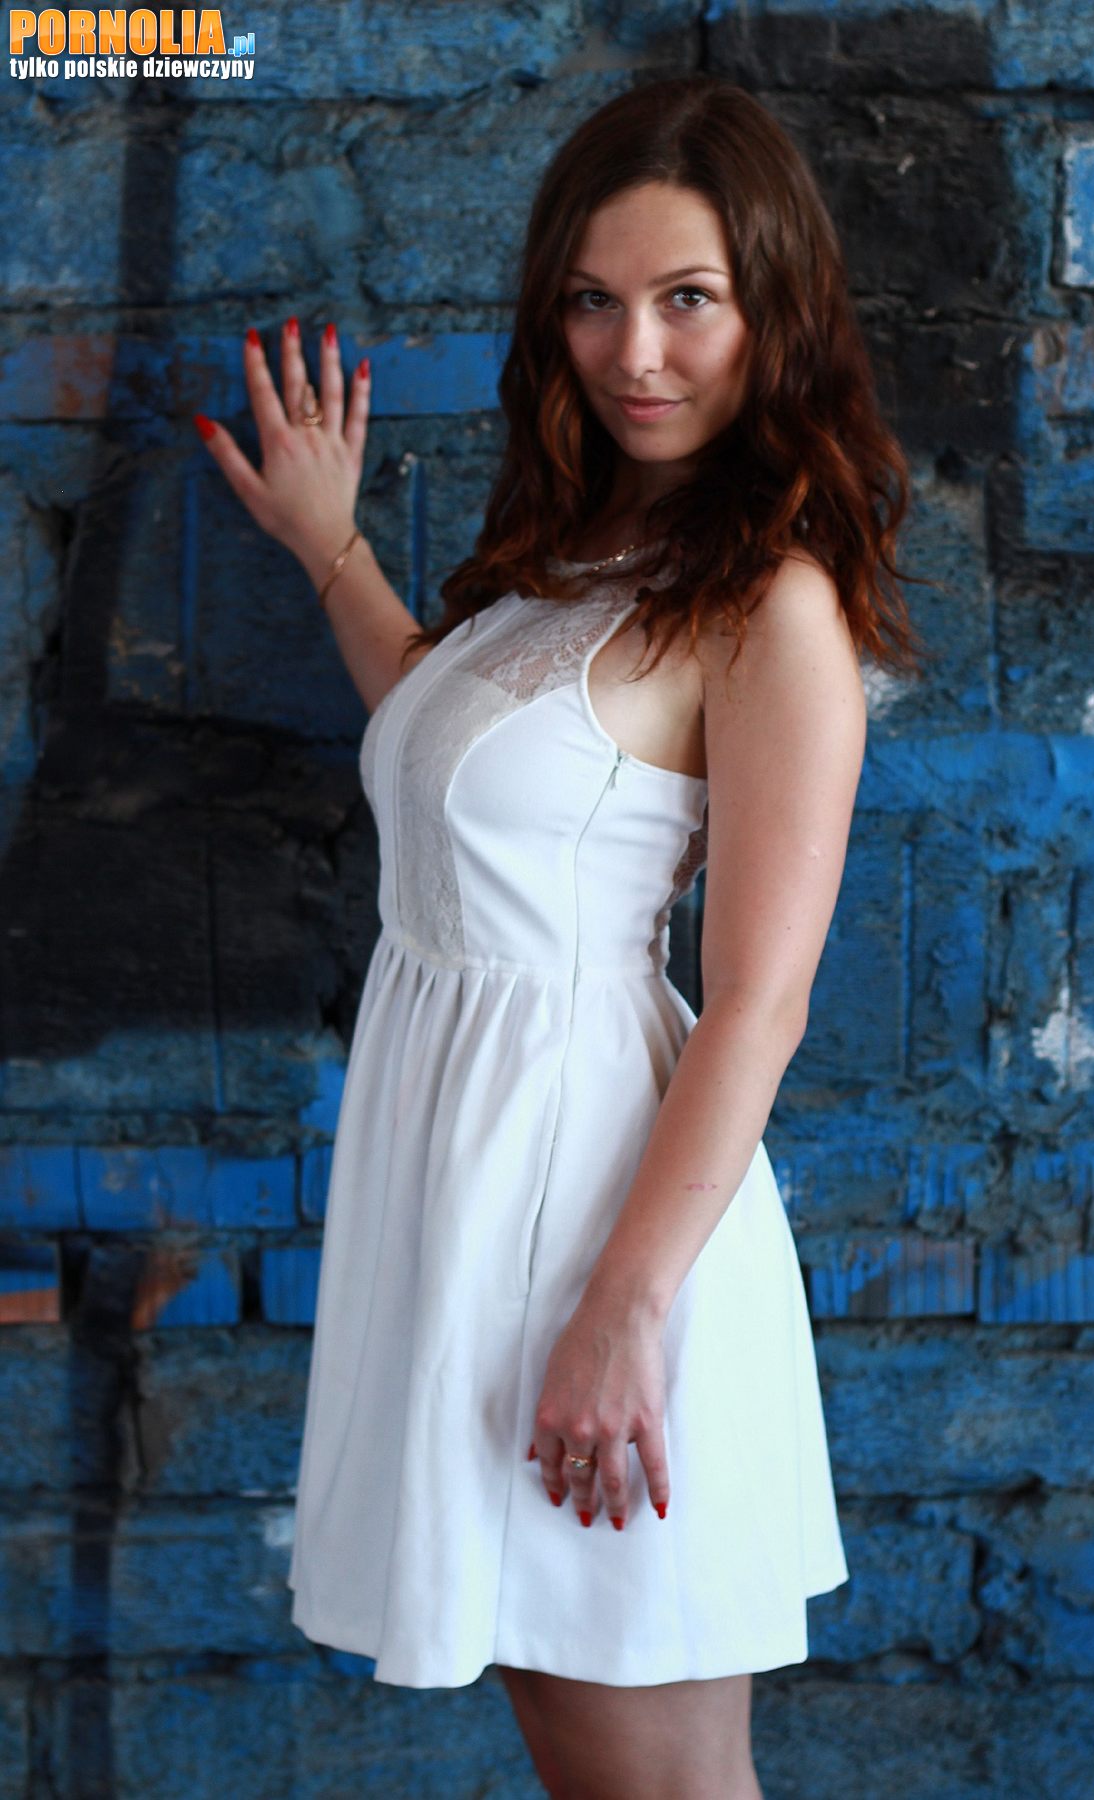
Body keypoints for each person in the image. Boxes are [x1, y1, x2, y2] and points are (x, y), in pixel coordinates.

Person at [195, 71, 923, 1800]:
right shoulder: (591, 548)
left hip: (592, 1224)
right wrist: (331, 547)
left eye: (690, 300)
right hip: (471, 1195)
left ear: (775, 310)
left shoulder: (774, 602)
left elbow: (759, 1003)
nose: (635, 354)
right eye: (595, 301)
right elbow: (466, 771)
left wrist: (620, 1313)